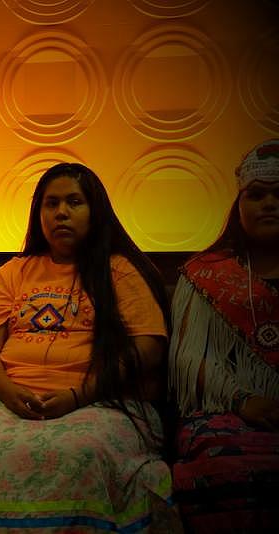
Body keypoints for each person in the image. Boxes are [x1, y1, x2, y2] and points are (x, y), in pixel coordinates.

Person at [0, 162, 180, 532]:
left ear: (95, 211)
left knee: (78, 450)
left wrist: (78, 396)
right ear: (39, 213)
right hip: (15, 400)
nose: (61, 212)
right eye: (51, 204)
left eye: (74, 202)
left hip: (102, 399)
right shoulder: (13, 272)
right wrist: (9, 393)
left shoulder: (121, 271)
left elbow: (148, 348)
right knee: (2, 450)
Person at [169, 139, 279, 531]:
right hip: (227, 411)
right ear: (239, 206)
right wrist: (242, 400)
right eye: (257, 195)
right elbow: (189, 359)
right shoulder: (205, 275)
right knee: (223, 462)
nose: (269, 203)